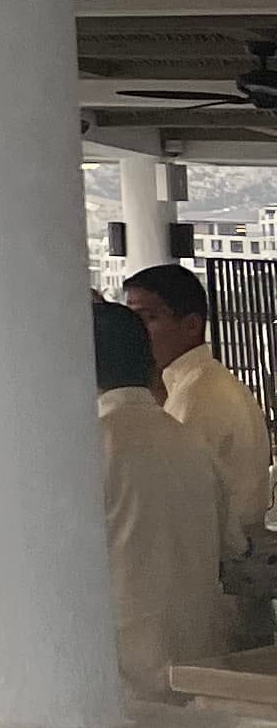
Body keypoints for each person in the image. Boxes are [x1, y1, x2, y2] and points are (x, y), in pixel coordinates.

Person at [95, 292, 230, 703]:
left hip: (122, 684)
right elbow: (230, 548)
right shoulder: (191, 442)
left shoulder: (86, 450)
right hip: (197, 673)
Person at [120, 259, 269, 558]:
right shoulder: (198, 383)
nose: (136, 332)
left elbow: (175, 500)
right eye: (131, 320)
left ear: (191, 325)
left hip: (222, 565)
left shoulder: (199, 396)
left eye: (147, 318)